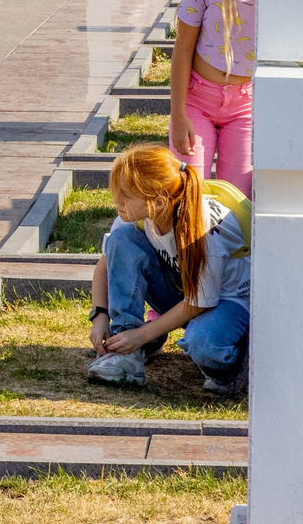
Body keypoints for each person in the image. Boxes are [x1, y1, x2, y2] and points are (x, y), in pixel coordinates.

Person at [86, 144, 252, 397]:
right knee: (121, 240)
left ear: (160, 201)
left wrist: (142, 334)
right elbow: (105, 264)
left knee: (204, 344)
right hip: (187, 292)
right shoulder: (136, 214)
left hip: (228, 301)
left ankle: (231, 368)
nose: (116, 202)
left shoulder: (206, 228)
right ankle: (126, 354)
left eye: (125, 195)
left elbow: (201, 301)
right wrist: (100, 317)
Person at [168, 0, 287, 196]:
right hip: (197, 102)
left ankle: (226, 246)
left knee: (236, 201)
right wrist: (178, 115)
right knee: (188, 193)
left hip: (246, 108)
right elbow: (182, 48)